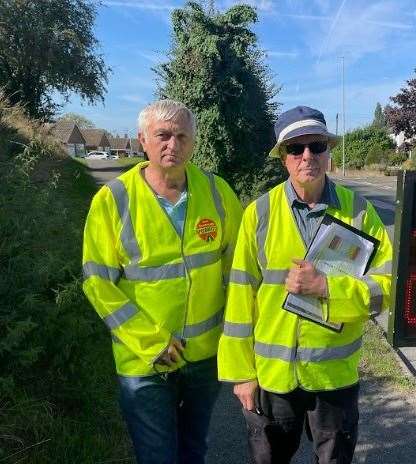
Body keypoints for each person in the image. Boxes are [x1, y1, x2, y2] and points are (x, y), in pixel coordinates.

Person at [218, 106, 393, 463]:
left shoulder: (360, 212)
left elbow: (385, 287)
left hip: (333, 379)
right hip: (273, 377)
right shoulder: (259, 214)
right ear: (282, 157)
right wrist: (241, 375)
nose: (307, 156)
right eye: (295, 149)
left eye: (316, 146)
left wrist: (328, 288)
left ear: (329, 151)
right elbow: (240, 296)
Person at [82, 99, 243, 463]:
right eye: (163, 135)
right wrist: (151, 342)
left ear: (194, 142)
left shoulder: (218, 193)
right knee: (157, 455)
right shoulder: (113, 200)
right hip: (144, 361)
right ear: (143, 140)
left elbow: (239, 271)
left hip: (205, 356)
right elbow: (96, 281)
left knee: (193, 448)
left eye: (182, 136)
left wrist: (240, 340)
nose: (173, 144)